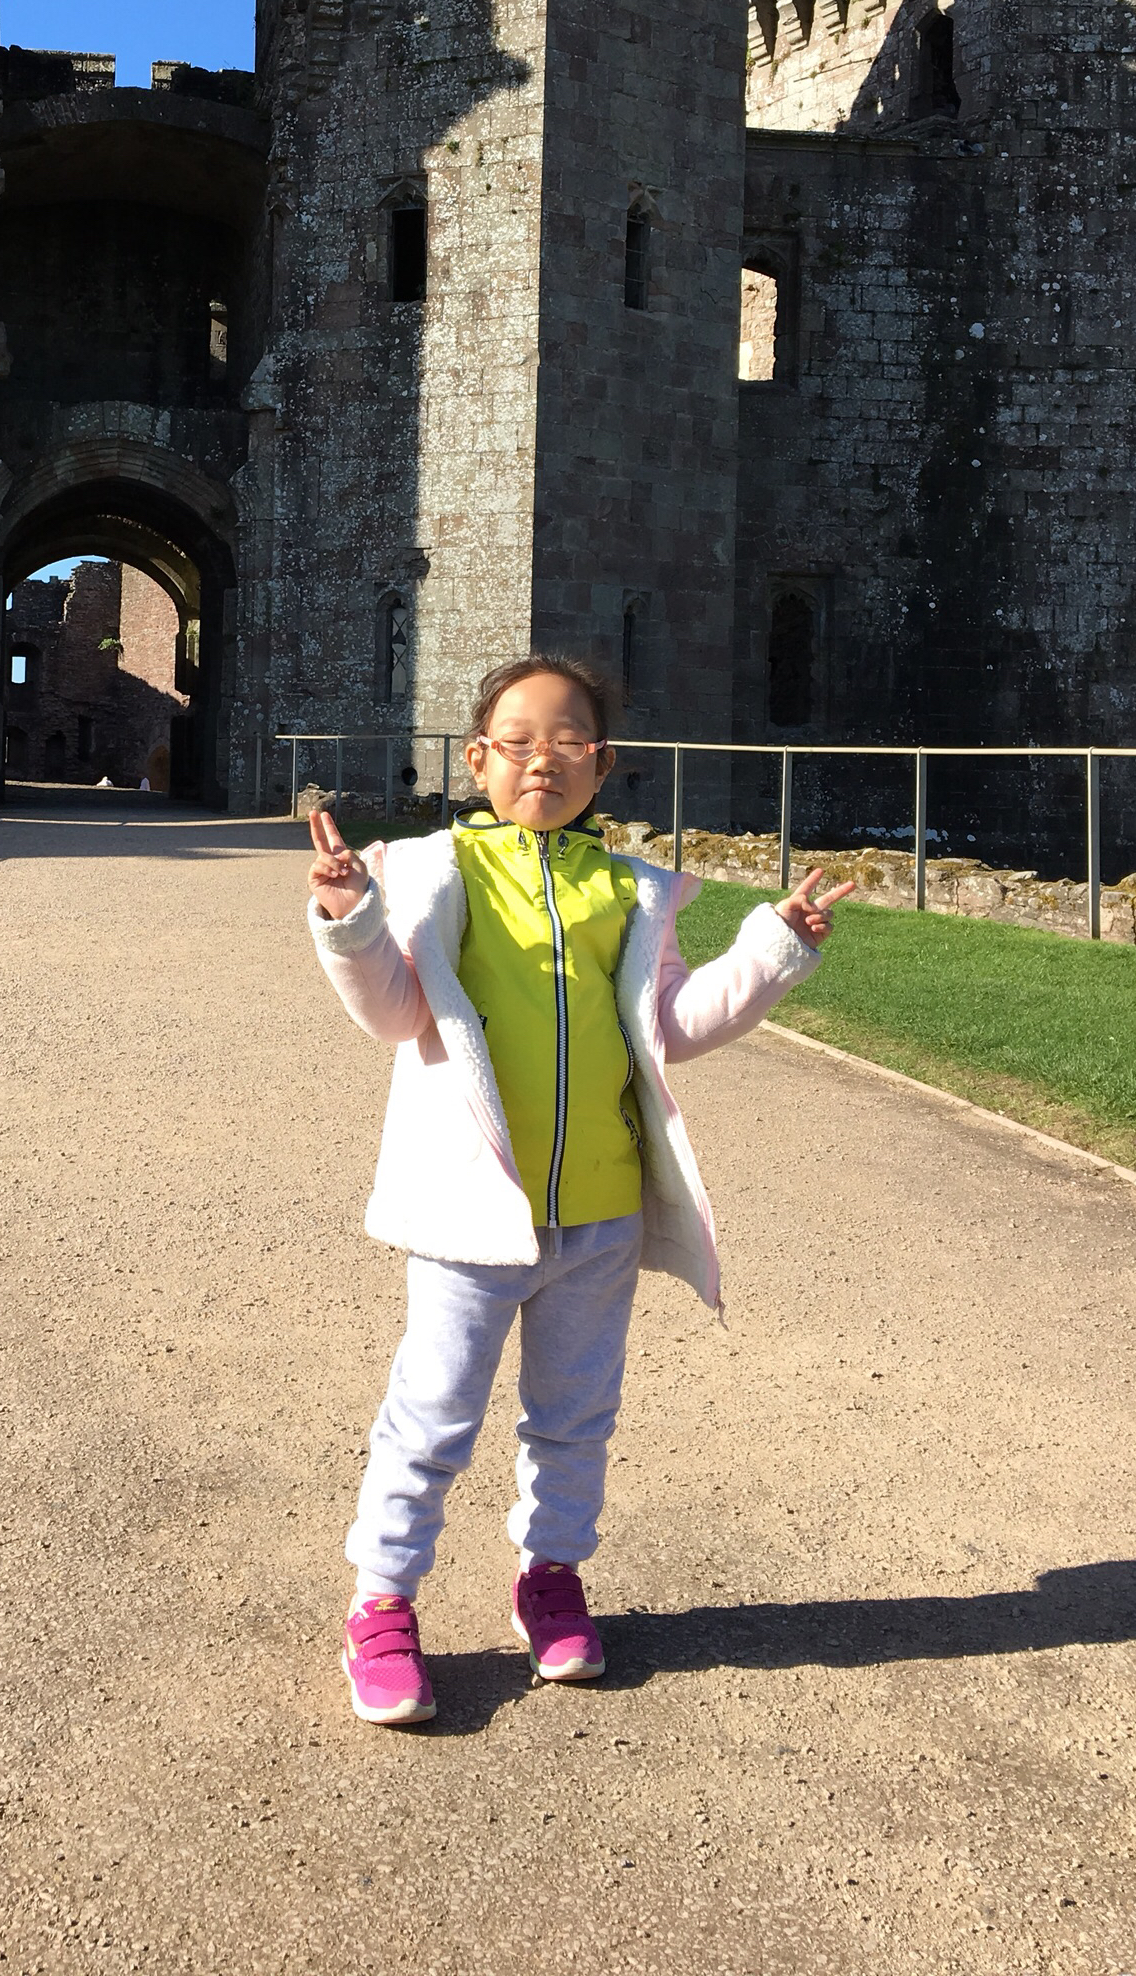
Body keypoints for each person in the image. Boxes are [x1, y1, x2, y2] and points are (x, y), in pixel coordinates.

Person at [307, 652, 853, 1727]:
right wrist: (351, 919)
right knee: (433, 1414)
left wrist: (773, 945)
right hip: (471, 1212)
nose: (541, 759)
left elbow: (675, 1026)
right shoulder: (429, 870)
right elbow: (394, 1014)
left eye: (567, 741)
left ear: (601, 764)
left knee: (574, 1418)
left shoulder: (628, 888)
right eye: (517, 740)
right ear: (477, 759)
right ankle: (382, 1602)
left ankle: (549, 1578)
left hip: (596, 1215)